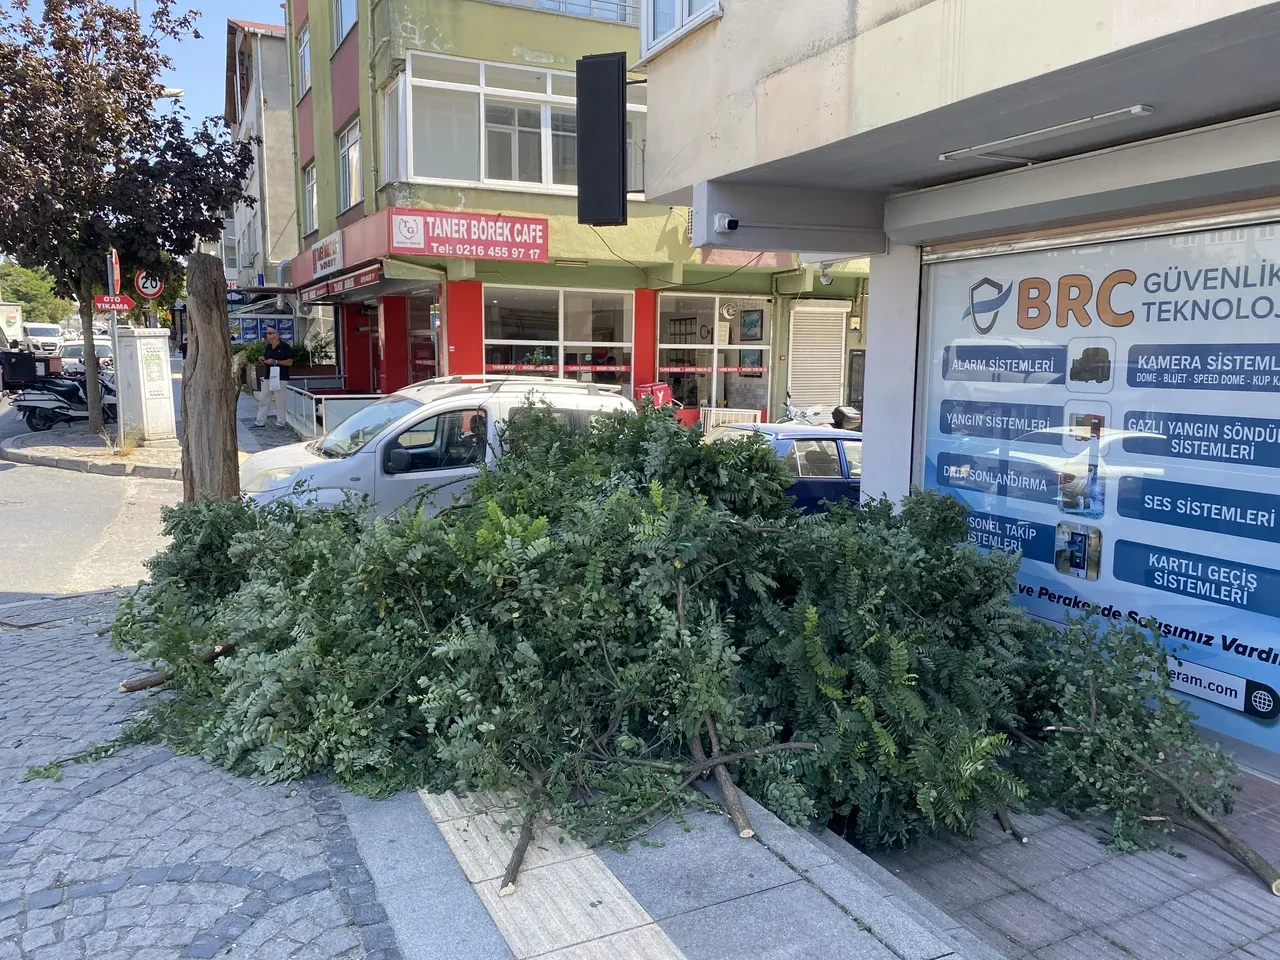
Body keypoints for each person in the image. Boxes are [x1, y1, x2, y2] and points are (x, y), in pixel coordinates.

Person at [253, 327, 293, 427]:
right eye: (266, 334)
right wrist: (264, 360)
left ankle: (280, 423)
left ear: (275, 335)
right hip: (268, 376)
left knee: (280, 401)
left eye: (269, 333)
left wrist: (275, 361)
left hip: (281, 377)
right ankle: (259, 422)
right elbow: (267, 359)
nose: (267, 335)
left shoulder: (285, 347)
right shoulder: (268, 347)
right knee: (263, 399)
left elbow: (290, 362)